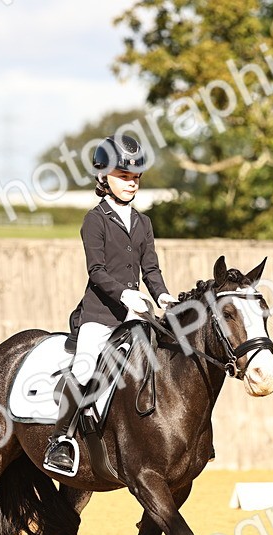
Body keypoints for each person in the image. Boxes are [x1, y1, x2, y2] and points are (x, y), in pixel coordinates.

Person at [42, 133, 178, 476]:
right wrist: (123, 294)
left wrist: (162, 294)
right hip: (100, 316)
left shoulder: (143, 222)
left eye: (135, 178)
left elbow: (150, 269)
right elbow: (97, 271)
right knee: (86, 367)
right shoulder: (95, 220)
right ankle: (61, 441)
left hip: (136, 316)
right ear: (104, 177)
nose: (131, 184)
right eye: (123, 177)